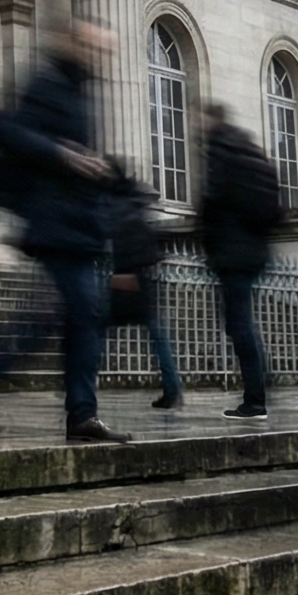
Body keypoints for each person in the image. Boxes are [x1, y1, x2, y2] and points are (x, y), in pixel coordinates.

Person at [0, 21, 128, 445]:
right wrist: (63, 154)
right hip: (55, 222)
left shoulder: (80, 91)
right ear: (75, 44)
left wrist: (96, 167)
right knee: (83, 315)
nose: (101, 57)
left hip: (78, 224)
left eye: (104, 51)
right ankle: (80, 414)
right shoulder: (48, 83)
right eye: (95, 48)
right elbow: (7, 130)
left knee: (64, 318)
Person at [198, 103, 282, 418]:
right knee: (241, 324)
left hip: (233, 252)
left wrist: (208, 238)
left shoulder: (221, 151)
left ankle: (255, 398)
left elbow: (214, 202)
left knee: (240, 325)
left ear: (211, 120)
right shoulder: (250, 152)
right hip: (253, 251)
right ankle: (259, 386)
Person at [105, 160, 185, 409]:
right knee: (157, 334)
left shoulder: (116, 203)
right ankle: (173, 389)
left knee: (93, 329)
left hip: (127, 275)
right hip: (140, 274)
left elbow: (125, 239)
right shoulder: (132, 199)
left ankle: (75, 384)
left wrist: (123, 273)